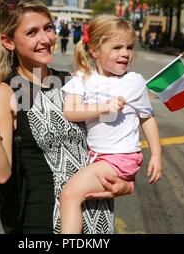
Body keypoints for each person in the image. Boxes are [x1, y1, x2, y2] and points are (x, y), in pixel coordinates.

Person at [0, 0, 133, 234]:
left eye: (48, 28)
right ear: (8, 41)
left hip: (97, 218)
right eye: (32, 32)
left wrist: (126, 184)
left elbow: (113, 143)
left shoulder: (73, 82)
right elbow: (0, 173)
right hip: (42, 222)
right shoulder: (5, 92)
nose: (45, 39)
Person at [59, 15, 163, 234]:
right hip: (97, 156)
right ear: (95, 50)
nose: (125, 53)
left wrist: (156, 154)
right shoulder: (82, 78)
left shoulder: (134, 81)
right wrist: (104, 107)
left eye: (129, 47)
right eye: (116, 47)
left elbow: (147, 117)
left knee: (69, 195)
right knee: (81, 201)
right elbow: (71, 111)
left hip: (121, 158)